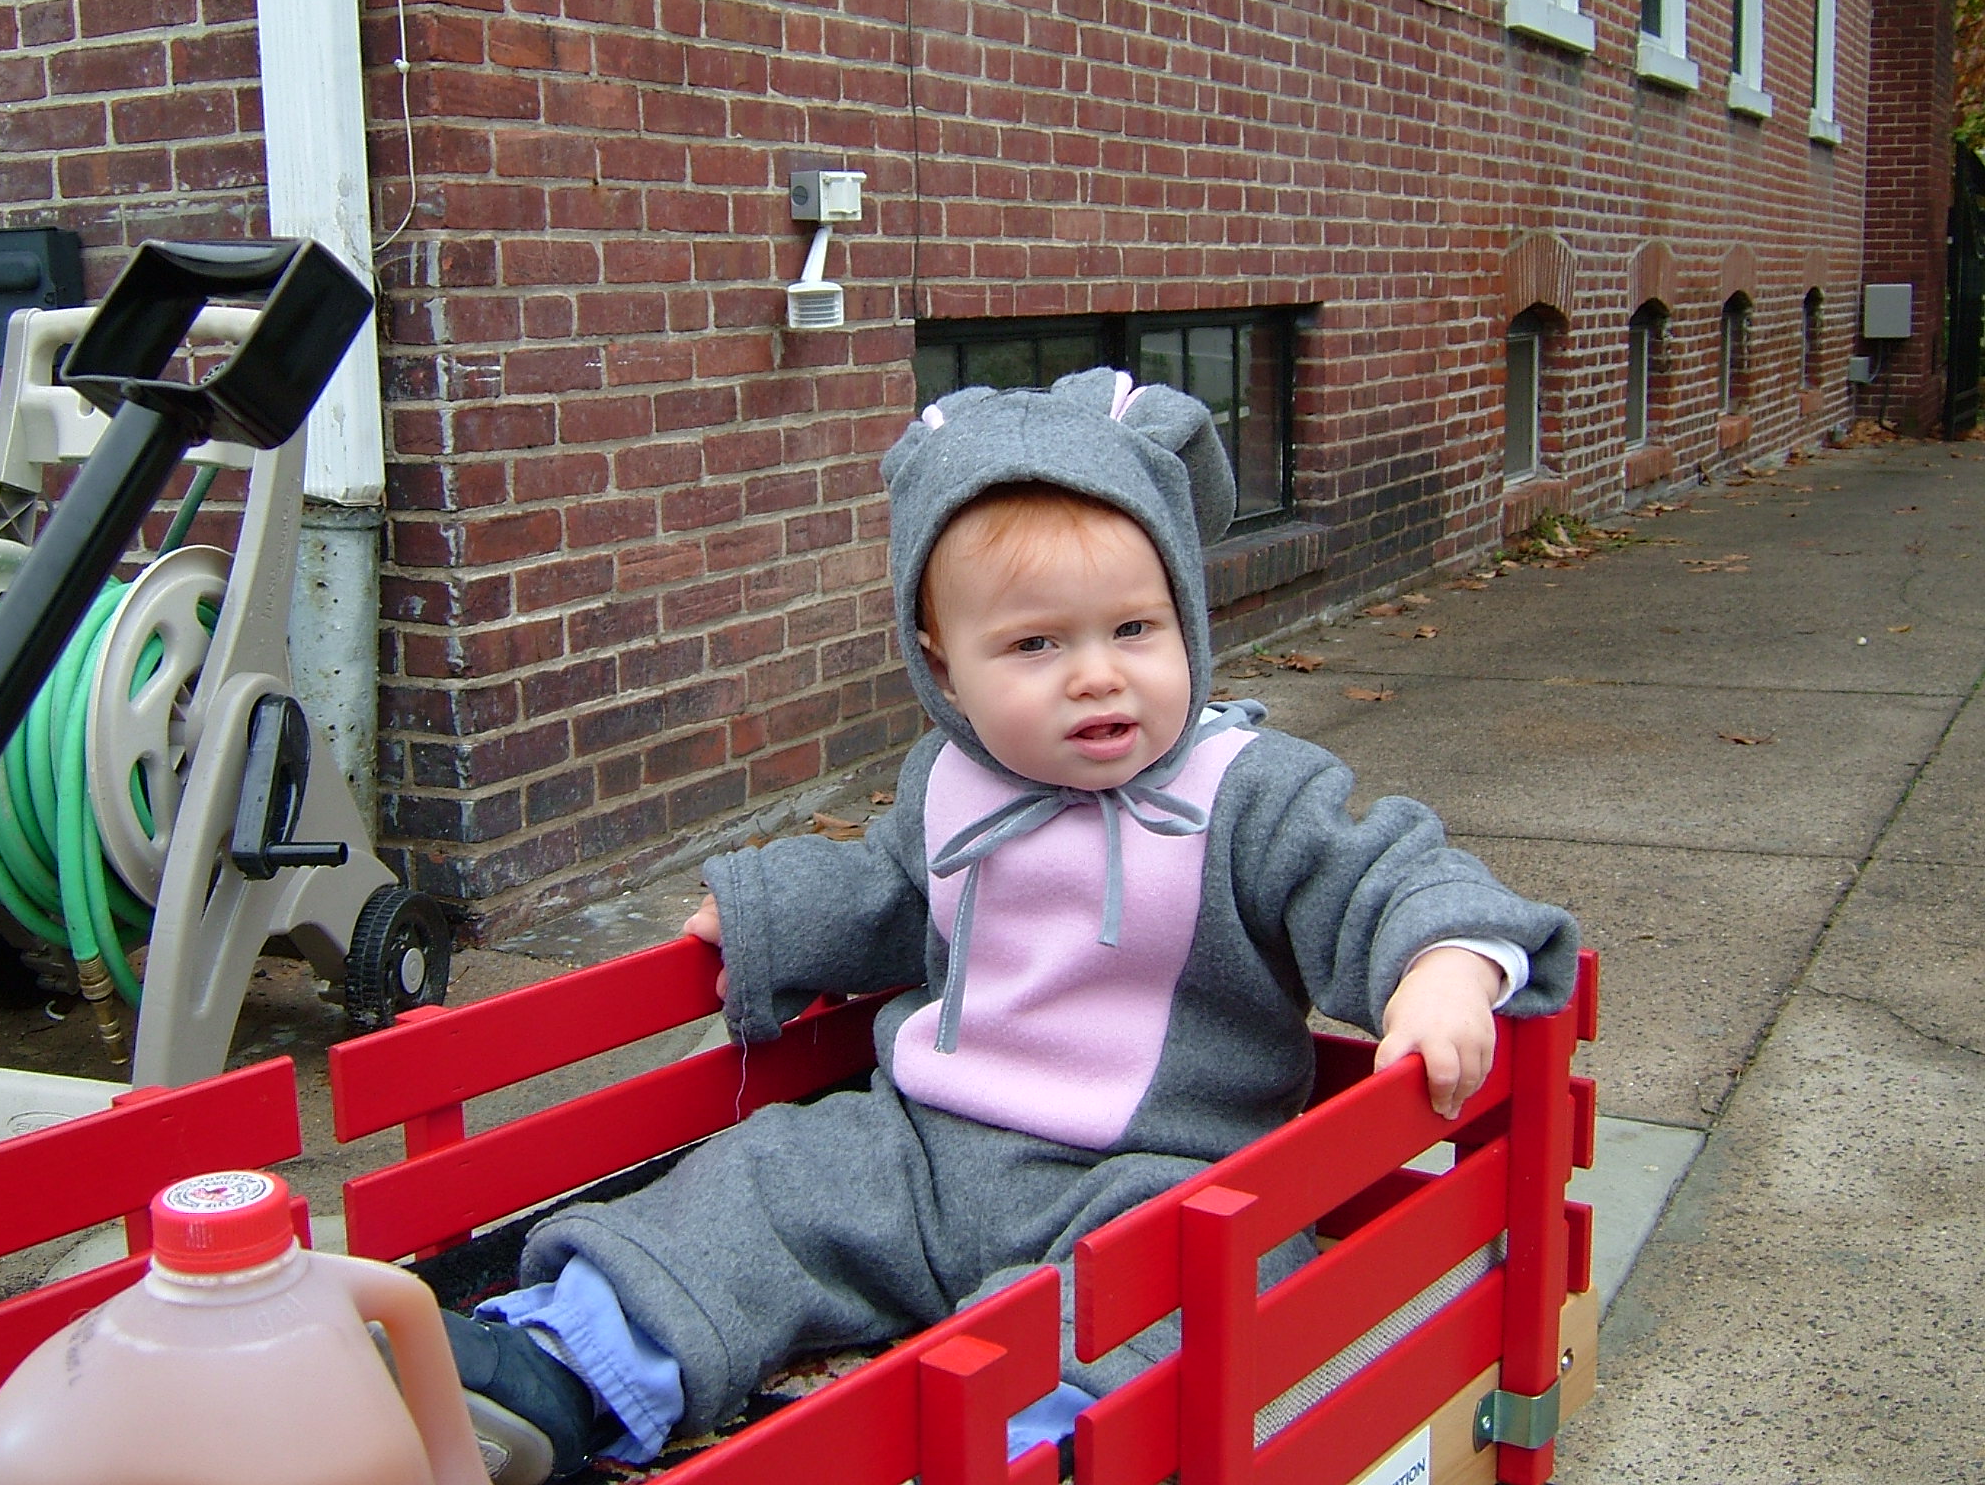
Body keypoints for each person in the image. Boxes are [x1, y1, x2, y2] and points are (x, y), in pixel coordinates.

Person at [442, 369, 1578, 1483]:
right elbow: (888, 892)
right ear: (942, 667)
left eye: (1134, 628)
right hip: (921, 1149)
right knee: (763, 1181)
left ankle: (1030, 1441)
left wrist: (1440, 961)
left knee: (1169, 1286)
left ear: (1186, 618)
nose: (1097, 677)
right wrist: (770, 915)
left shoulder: (1247, 795)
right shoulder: (948, 784)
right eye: (1036, 645)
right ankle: (573, 1359)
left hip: (1153, 1173)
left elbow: (1381, 871)